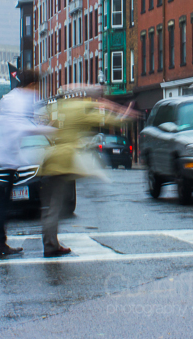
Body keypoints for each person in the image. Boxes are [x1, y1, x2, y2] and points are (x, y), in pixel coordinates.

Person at [41, 85, 133, 258]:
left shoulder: (62, 107)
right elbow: (104, 118)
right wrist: (124, 115)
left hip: (53, 159)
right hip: (65, 160)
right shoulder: (79, 108)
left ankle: (50, 242)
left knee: (51, 205)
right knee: (56, 205)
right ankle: (50, 245)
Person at [0, 69, 53, 259]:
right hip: (5, 157)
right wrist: (48, 130)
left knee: (2, 202)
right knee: (2, 203)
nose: (38, 90)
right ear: (32, 85)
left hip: (3, 154)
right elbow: (20, 127)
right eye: (38, 86)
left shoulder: (10, 98)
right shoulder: (19, 100)